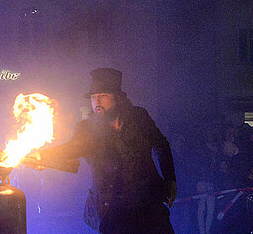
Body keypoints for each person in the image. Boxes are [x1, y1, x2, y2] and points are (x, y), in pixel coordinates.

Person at [35, 68, 177, 233]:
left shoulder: (139, 118)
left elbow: (161, 145)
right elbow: (70, 149)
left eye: (103, 96)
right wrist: (43, 155)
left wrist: (170, 180)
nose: (97, 102)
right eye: (93, 97)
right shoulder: (87, 129)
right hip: (112, 212)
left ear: (117, 98)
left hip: (149, 206)